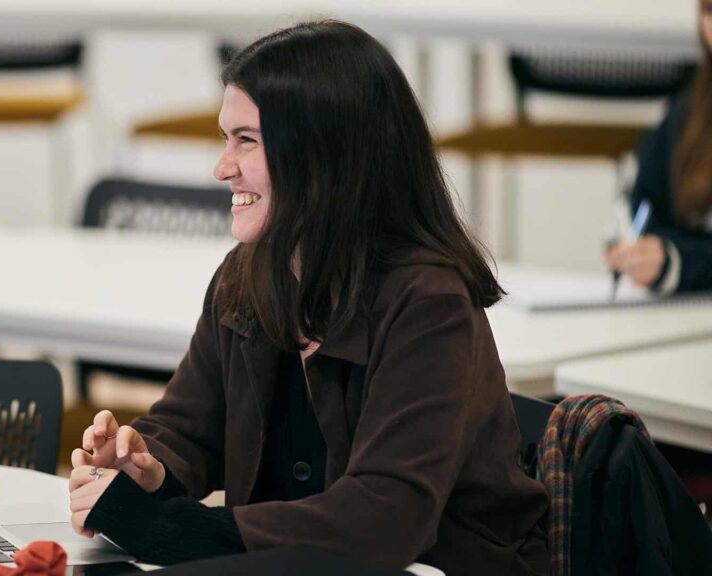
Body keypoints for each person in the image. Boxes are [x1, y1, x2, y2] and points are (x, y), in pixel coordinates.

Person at [67, 21, 550, 575]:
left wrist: (169, 530)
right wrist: (143, 466)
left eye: (245, 140)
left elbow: (386, 517)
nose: (222, 168)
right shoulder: (245, 277)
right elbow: (189, 428)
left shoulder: (428, 303)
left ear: (321, 154)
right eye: (225, 139)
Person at [605, 0, 712, 293]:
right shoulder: (687, 112)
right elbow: (647, 205)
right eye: (710, 11)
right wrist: (645, 252)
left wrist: (678, 263)